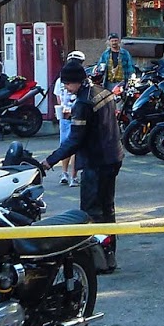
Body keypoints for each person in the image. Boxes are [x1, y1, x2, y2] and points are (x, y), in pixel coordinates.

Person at [41, 60, 124, 272]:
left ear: (77, 81)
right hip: (114, 156)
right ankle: (110, 255)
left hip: (96, 161)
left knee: (91, 212)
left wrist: (50, 161)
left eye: (67, 84)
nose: (66, 88)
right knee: (108, 208)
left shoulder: (83, 103)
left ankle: (99, 261)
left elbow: (74, 140)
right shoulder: (102, 92)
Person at [52, 51, 88, 186]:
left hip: (64, 116)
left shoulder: (60, 80)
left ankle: (64, 173)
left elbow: (59, 99)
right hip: (76, 115)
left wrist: (62, 109)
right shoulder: (82, 81)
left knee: (65, 145)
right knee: (74, 146)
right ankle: (73, 176)